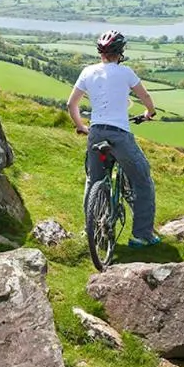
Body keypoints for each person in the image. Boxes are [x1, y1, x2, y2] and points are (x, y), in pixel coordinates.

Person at [67, 30, 161, 247]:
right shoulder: (126, 72)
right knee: (142, 179)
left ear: (100, 52)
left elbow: (71, 105)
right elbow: (145, 97)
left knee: (94, 181)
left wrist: (81, 126)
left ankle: (91, 229)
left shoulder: (87, 72)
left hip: (96, 132)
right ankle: (141, 235)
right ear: (120, 52)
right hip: (119, 134)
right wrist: (149, 113)